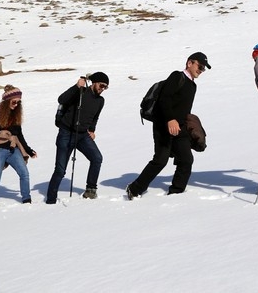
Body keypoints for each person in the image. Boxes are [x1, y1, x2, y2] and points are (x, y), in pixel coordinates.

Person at [126, 52, 210, 200]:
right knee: (160, 160)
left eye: (203, 69)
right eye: (200, 66)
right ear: (189, 63)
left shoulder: (192, 85)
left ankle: (176, 193)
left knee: (186, 160)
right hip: (163, 126)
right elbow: (164, 99)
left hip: (180, 129)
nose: (201, 71)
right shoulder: (177, 76)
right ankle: (134, 189)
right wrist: (170, 119)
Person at [46, 72, 109, 203]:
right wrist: (76, 87)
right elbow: (61, 99)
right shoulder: (80, 92)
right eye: (102, 85)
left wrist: (92, 130)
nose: (103, 89)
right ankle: (51, 199)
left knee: (97, 158)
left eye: (105, 87)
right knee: (60, 169)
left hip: (83, 135)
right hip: (66, 133)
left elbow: (95, 117)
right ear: (95, 82)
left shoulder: (100, 101)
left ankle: (91, 190)